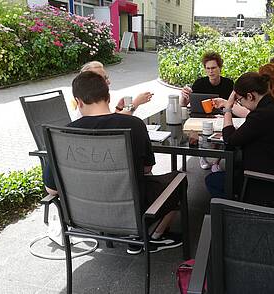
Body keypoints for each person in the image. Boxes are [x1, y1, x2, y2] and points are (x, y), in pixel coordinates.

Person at [43, 71, 186, 255]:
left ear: (78, 101)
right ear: (108, 97)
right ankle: (154, 236)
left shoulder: (62, 134)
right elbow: (147, 168)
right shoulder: (134, 124)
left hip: (83, 215)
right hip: (131, 210)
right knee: (179, 179)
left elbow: (51, 190)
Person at [205, 72, 274, 205]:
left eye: (240, 100)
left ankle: (237, 212)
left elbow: (230, 140)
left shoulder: (261, 115)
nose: (241, 104)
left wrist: (227, 109)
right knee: (235, 165)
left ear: (250, 96)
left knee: (212, 180)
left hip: (273, 183)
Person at [180, 52, 237, 171]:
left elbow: (233, 104)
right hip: (201, 116)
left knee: (225, 135)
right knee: (195, 134)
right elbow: (183, 104)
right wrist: (184, 96)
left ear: (220, 68)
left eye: (214, 68)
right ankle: (203, 156)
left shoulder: (228, 83)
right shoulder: (200, 83)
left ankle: (216, 162)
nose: (211, 71)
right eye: (208, 68)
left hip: (221, 116)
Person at [70, 61, 153, 119]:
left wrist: (118, 110)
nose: (108, 82)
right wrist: (135, 103)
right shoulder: (88, 107)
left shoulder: (75, 124)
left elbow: (109, 121)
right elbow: (111, 123)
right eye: (103, 79)